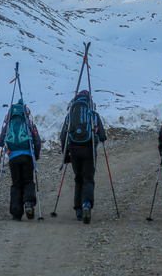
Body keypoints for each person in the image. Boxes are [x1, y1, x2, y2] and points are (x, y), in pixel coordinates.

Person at [59, 90, 107, 224]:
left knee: (78, 179)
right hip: (89, 150)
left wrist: (65, 155)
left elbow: (63, 137)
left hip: (74, 150)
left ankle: (79, 210)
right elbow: (102, 136)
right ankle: (86, 204)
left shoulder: (71, 115)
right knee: (88, 179)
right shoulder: (93, 114)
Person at [0, 99, 41, 221]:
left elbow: (1, 143)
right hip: (27, 156)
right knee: (28, 181)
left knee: (16, 183)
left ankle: (16, 213)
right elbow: (37, 141)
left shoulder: (8, 125)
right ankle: (28, 202)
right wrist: (36, 155)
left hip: (13, 158)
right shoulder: (29, 123)